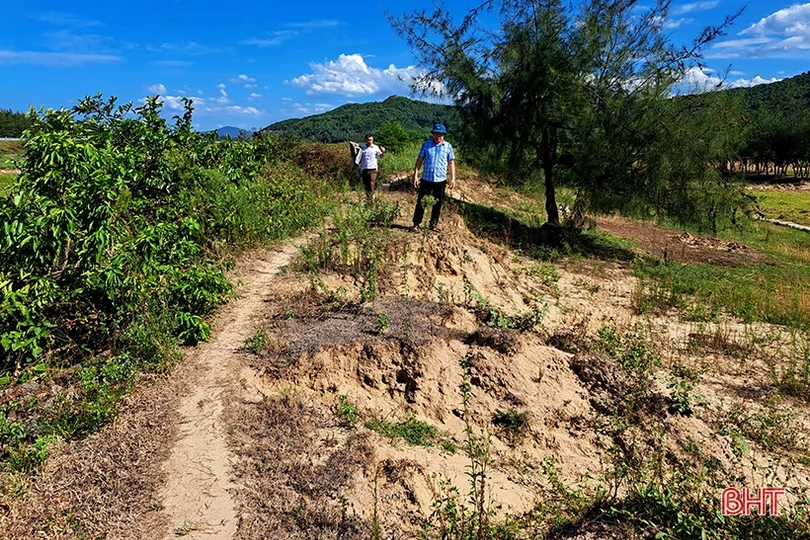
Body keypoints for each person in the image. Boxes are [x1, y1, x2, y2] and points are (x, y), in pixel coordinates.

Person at [412, 123, 456, 231]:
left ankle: (433, 225)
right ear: (433, 134)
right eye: (436, 134)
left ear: (444, 135)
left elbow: (451, 163)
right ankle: (416, 224)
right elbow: (419, 160)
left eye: (440, 135)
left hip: (440, 180)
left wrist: (453, 178)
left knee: (437, 203)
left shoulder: (448, 146)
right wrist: (415, 175)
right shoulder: (426, 145)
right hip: (426, 179)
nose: (438, 137)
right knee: (421, 202)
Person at [356, 134, 386, 199]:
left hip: (373, 168)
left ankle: (372, 198)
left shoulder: (375, 148)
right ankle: (368, 198)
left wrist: (383, 152)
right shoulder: (362, 148)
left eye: (371, 140)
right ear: (365, 140)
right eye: (368, 140)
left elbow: (381, 156)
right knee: (366, 184)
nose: (370, 141)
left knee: (371, 183)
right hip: (364, 168)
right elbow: (358, 159)